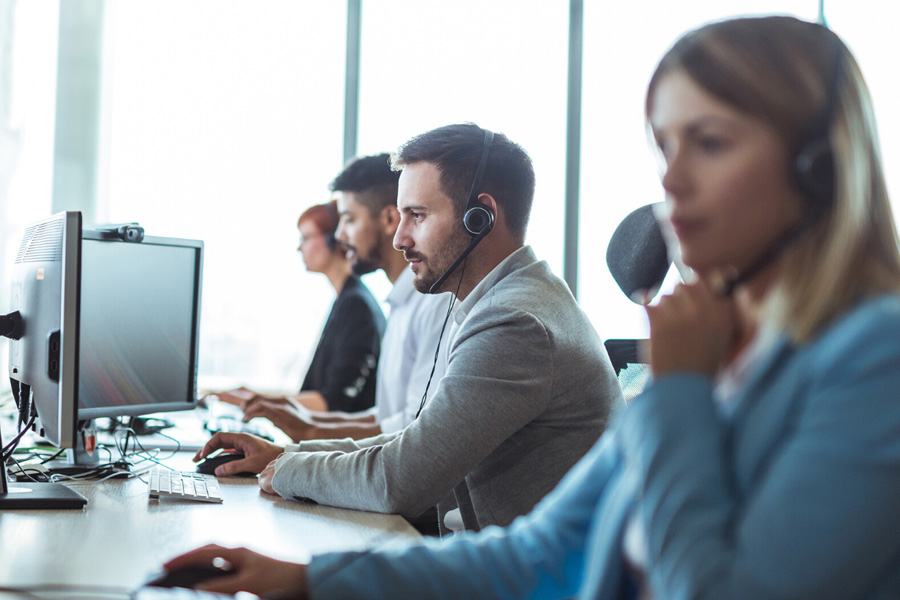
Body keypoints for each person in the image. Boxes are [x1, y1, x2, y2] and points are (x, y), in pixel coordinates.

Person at [165, 16, 900, 599]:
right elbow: (541, 552)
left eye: (708, 143)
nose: (670, 180)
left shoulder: (874, 363)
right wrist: (305, 580)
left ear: (818, 169)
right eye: (664, 147)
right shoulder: (719, 354)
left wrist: (679, 398)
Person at [197, 123, 622, 537]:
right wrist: (288, 453)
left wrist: (288, 469)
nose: (399, 238)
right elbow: (416, 444)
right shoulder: (520, 298)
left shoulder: (513, 323)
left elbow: (400, 480)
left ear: (482, 217)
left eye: (416, 216)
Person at [230, 153, 453, 443]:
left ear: (387, 219)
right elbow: (385, 418)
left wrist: (306, 436)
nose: (339, 234)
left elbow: (412, 429)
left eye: (348, 219)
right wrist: (298, 419)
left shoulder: (430, 302)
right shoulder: (397, 304)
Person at [215, 200, 385, 414]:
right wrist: (254, 397)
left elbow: (333, 402)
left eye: (305, 238)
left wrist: (257, 401)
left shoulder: (356, 306)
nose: (299, 247)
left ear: (334, 240)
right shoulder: (345, 300)